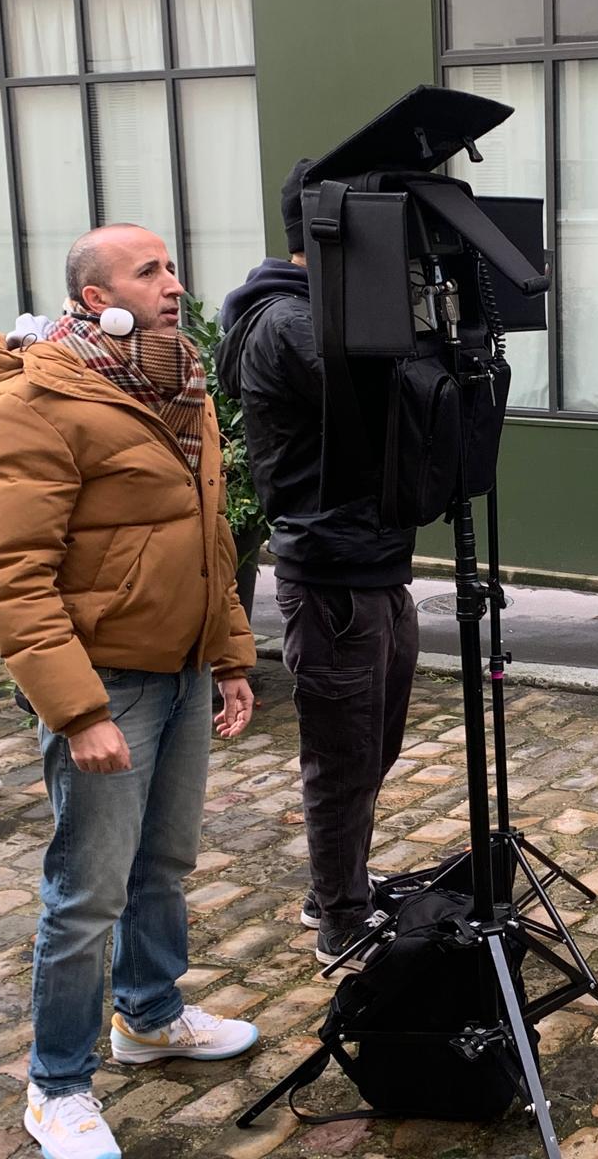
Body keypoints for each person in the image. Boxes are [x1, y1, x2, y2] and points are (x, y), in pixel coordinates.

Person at [0, 224, 260, 1159]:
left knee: (163, 865)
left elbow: (209, 539)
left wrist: (230, 653)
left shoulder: (178, 386)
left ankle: (150, 1015)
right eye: (149, 271)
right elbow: (9, 579)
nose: (174, 284)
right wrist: (79, 710)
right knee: (87, 894)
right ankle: (56, 1085)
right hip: (107, 683)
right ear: (97, 299)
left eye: (171, 266)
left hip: (182, 670)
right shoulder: (32, 402)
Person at [218, 158, 419, 969]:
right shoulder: (291, 323)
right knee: (342, 762)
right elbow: (396, 404)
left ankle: (339, 888)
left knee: (373, 750)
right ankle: (340, 919)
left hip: (373, 565)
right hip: (333, 578)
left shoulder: (323, 314)